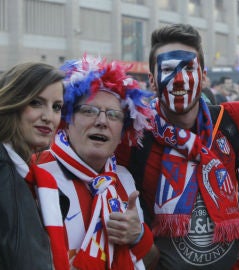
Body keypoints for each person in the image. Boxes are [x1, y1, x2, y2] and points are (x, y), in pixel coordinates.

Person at [115, 23, 239, 269]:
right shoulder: (134, 133)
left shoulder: (228, 121)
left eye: (188, 68)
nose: (179, 80)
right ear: (152, 81)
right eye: (167, 69)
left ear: (204, 76)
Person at [37, 55, 157, 269]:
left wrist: (138, 236)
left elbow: (148, 261)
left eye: (113, 115)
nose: (101, 121)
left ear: (122, 131)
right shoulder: (38, 173)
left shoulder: (123, 178)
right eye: (89, 111)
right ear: (67, 120)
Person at [0, 62, 64, 269]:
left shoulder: (31, 177)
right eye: (36, 103)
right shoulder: (4, 171)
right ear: (14, 101)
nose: (48, 117)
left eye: (56, 107)